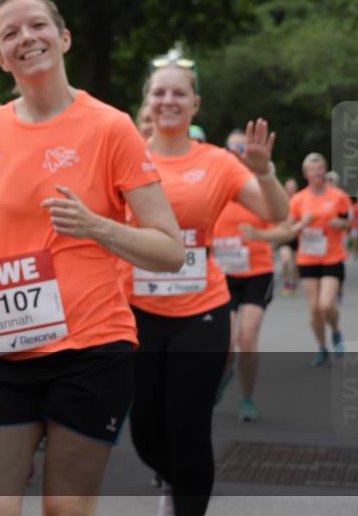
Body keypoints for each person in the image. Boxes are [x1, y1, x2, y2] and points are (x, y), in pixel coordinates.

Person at [0, 0, 184, 516]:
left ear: (63, 37)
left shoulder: (110, 127)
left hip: (90, 349)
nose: (27, 37)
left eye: (38, 25)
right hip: (0, 348)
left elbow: (169, 251)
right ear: (1, 58)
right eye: (11, 34)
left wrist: (98, 226)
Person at [119, 61, 288, 516]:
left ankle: (187, 499)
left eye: (179, 94)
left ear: (195, 103)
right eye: (159, 93)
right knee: (147, 432)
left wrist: (264, 171)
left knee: (190, 426)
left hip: (202, 311)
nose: (168, 102)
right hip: (135, 312)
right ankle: (177, 479)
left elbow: (275, 213)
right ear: (147, 101)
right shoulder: (123, 153)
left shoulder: (215, 161)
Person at [213, 129, 288, 423]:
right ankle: (223, 374)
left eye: (242, 148)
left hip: (257, 272)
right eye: (231, 149)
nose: (237, 154)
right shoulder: (215, 186)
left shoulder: (258, 189)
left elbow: (286, 226)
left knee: (247, 337)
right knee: (227, 343)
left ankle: (246, 397)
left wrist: (260, 234)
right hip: (222, 275)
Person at [286, 153, 351, 366]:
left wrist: (339, 224)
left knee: (325, 305)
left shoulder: (338, 196)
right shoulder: (298, 200)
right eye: (312, 169)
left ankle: (336, 330)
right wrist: (301, 225)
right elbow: (288, 230)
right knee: (314, 307)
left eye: (320, 168)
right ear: (305, 174)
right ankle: (322, 347)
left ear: (325, 170)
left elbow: (348, 223)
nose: (316, 173)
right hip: (307, 259)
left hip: (332, 257)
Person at [278, 177, 300, 296]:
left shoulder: (300, 200)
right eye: (288, 187)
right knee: (286, 261)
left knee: (296, 264)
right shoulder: (281, 201)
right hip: (284, 237)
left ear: (296, 189)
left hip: (297, 236)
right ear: (285, 188)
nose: (290, 189)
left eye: (293, 187)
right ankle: (286, 284)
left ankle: (294, 284)